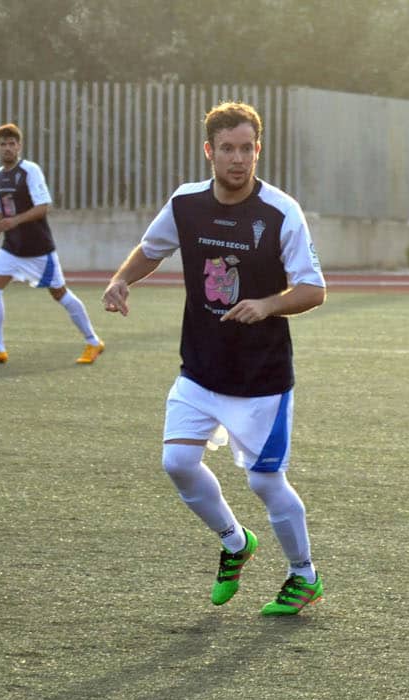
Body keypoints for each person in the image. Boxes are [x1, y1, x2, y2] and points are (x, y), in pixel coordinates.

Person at [101, 102, 328, 616]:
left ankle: (304, 574)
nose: (238, 158)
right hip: (200, 369)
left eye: (247, 148)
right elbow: (151, 248)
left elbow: (314, 289)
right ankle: (235, 542)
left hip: (261, 379)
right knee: (178, 461)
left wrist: (268, 304)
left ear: (258, 150)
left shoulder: (280, 212)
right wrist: (120, 280)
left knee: (265, 481)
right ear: (209, 151)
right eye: (227, 148)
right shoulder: (185, 204)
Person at [0, 123, 105, 365]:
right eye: (3, 144)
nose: (7, 148)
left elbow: (43, 207)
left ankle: (93, 341)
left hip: (38, 250)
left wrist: (16, 221)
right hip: (11, 248)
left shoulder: (29, 171)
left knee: (59, 293)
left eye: (12, 144)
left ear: (19, 146)